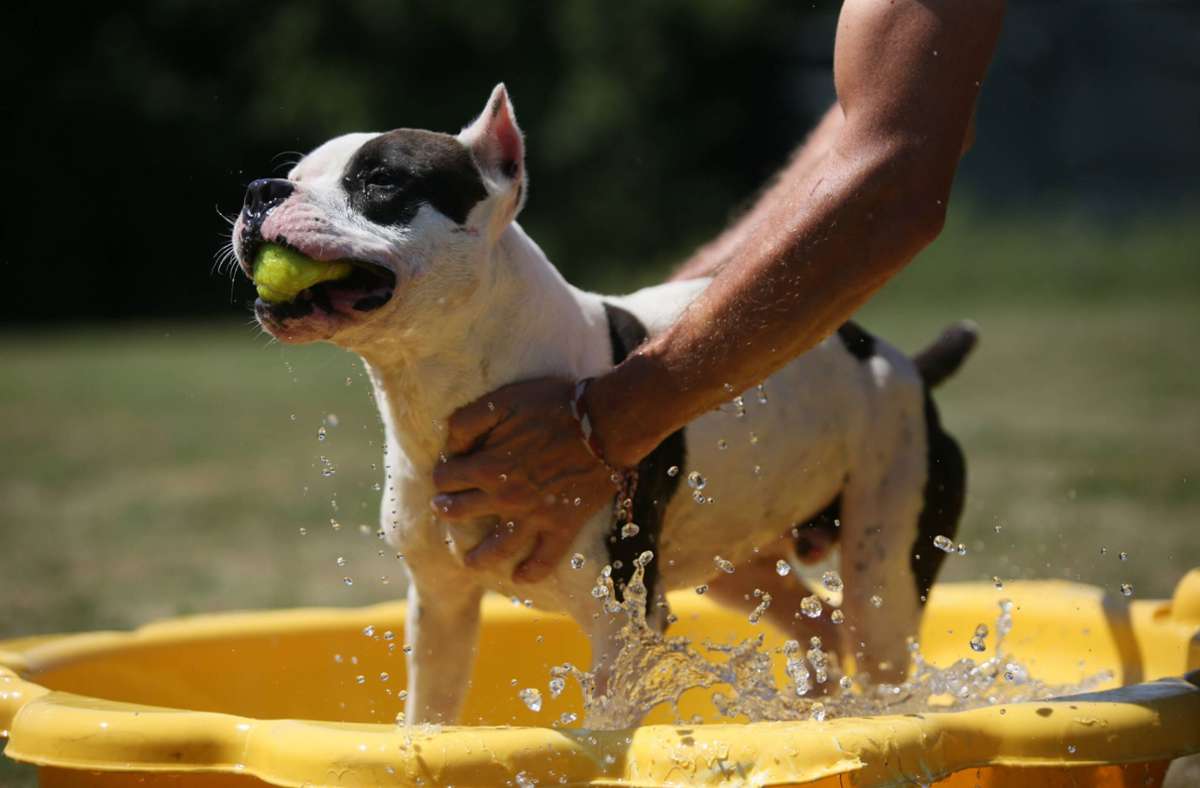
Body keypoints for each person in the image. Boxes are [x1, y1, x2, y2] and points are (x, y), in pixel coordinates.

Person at [431, 0, 1006, 619]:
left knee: (887, 674)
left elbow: (896, 177)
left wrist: (607, 424)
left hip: (878, 420)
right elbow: (873, 117)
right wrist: (665, 327)